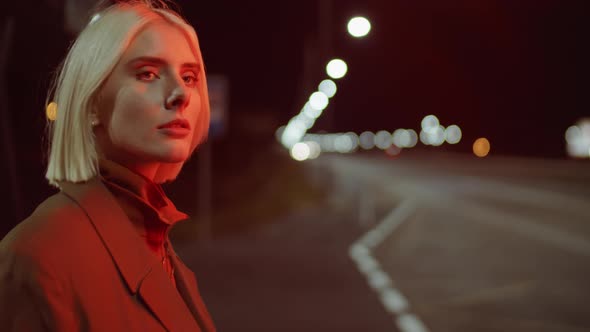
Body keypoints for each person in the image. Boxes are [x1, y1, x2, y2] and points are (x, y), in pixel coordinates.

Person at [0, 1, 216, 331]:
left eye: (189, 77)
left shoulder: (158, 244)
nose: (180, 94)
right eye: (148, 73)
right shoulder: (37, 255)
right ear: (90, 103)